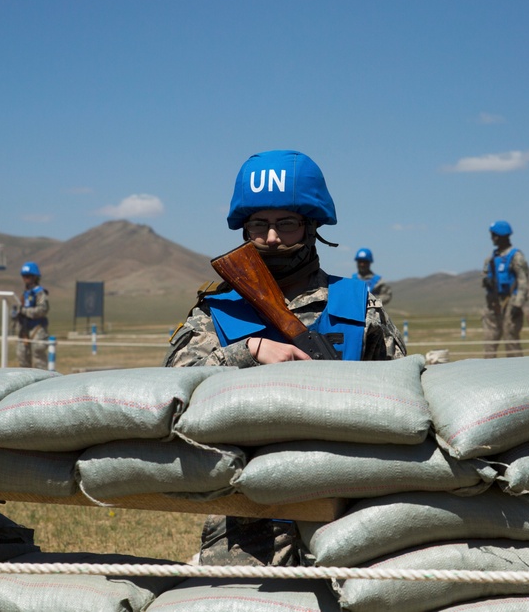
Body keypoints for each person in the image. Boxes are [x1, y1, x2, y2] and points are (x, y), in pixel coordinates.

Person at [164, 149, 406, 567]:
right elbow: (169, 389)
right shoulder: (216, 310)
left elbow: (402, 397)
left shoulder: (357, 304)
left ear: (312, 226)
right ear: (244, 229)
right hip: (247, 516)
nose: (272, 238)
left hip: (347, 502)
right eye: (260, 224)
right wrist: (248, 351)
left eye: (286, 224)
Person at [481, 220, 529, 358]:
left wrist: (518, 304)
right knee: (490, 341)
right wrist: (486, 281)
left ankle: (516, 373)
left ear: (501, 236)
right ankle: (488, 372)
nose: (492, 238)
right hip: (493, 303)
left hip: (511, 302)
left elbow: (523, 281)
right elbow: (484, 275)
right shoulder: (491, 258)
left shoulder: (516, 256)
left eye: (494, 235)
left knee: (511, 339)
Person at [14, 261, 50, 370]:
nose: (26, 278)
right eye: (24, 276)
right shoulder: (25, 293)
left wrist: (24, 311)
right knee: (22, 357)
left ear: (35, 277)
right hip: (24, 329)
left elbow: (43, 310)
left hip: (37, 328)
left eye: (28, 276)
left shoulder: (40, 292)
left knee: (38, 358)